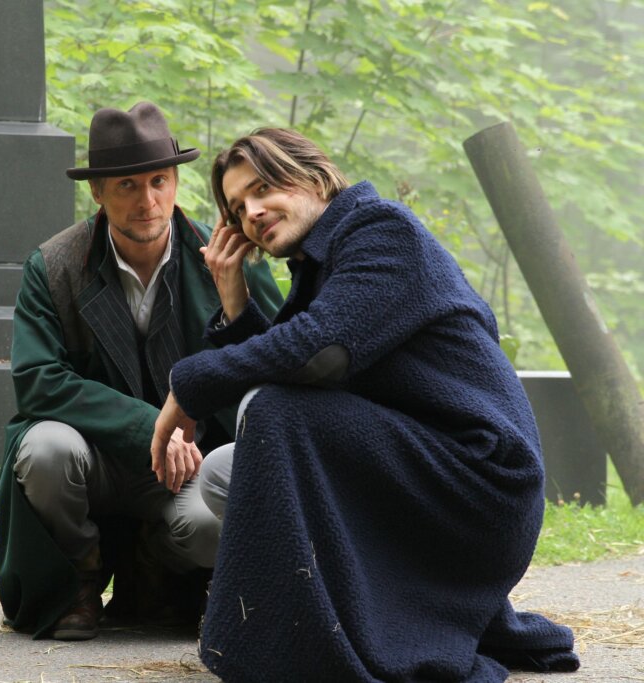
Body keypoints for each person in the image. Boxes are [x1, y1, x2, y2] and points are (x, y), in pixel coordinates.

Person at [152, 128, 579, 681]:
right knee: (224, 470)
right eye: (237, 208)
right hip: (423, 467)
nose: (252, 212)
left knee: (273, 412)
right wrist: (234, 302)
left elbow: (319, 353)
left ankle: (312, 635)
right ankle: (342, 620)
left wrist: (188, 384)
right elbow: (302, 367)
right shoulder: (322, 263)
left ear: (314, 177)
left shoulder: (382, 230)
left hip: (480, 483)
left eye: (263, 188)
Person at [0, 103, 283, 642]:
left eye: (158, 181)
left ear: (175, 182)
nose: (147, 201)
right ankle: (79, 579)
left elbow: (275, 361)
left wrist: (234, 303)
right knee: (44, 449)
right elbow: (37, 380)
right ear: (97, 192)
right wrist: (154, 424)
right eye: (126, 185)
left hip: (192, 465)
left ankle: (154, 571)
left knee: (211, 527)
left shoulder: (226, 257)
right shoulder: (54, 267)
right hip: (94, 458)